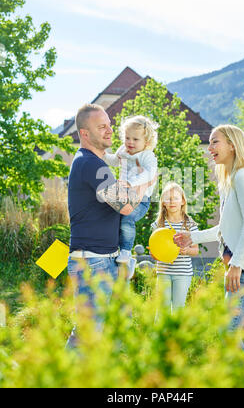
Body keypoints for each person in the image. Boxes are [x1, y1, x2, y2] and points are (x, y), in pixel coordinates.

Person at [174, 125, 244, 348]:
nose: (209, 147)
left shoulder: (243, 178)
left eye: (214, 141)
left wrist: (237, 265)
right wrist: (192, 237)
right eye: (209, 142)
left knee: (231, 332)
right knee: (235, 331)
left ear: (232, 145)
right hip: (241, 267)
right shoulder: (229, 181)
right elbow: (226, 227)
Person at [67, 104, 155, 348]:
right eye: (101, 126)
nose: (109, 130)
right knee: (87, 333)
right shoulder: (91, 164)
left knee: (110, 334)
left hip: (104, 259)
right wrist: (149, 181)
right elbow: (125, 207)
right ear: (85, 133)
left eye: (109, 125)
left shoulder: (95, 163)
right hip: (93, 263)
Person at [103, 115, 158, 276]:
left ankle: (126, 252)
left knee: (127, 219)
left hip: (141, 200)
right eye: (127, 138)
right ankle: (123, 260)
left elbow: (149, 174)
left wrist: (132, 183)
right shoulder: (123, 150)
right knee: (114, 220)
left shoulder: (147, 156)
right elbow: (115, 161)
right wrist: (104, 156)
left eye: (135, 139)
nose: (130, 142)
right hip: (123, 196)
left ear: (146, 142)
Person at [150, 182, 199, 312]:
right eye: (168, 198)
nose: (172, 202)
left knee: (178, 309)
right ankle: (160, 333)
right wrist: (154, 253)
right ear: (163, 203)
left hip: (183, 273)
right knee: (162, 310)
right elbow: (155, 252)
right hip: (163, 272)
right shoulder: (159, 224)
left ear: (182, 201)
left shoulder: (190, 224)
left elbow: (196, 250)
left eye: (176, 198)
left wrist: (187, 250)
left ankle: (177, 333)